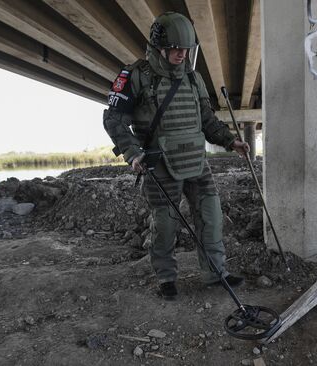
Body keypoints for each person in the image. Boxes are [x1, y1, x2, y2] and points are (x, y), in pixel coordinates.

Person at [103, 12, 249, 301]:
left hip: (196, 162)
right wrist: (132, 153)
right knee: (165, 225)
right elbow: (114, 120)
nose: (182, 54)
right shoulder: (135, 76)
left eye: (186, 49)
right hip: (159, 164)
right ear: (159, 46)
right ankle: (166, 278)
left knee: (211, 217)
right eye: (176, 49)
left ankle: (216, 273)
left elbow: (206, 121)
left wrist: (230, 141)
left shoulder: (194, 79)